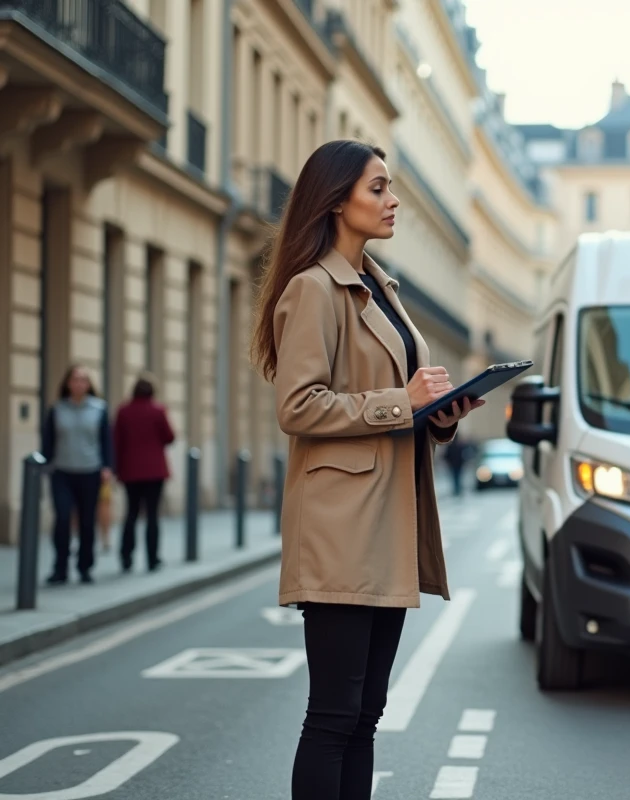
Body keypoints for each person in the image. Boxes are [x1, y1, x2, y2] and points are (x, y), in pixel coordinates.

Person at [249, 139, 483, 800]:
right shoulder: (313, 289)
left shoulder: (380, 287)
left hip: (388, 524)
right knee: (333, 715)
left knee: (366, 714)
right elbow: (298, 406)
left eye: (390, 186)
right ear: (335, 200)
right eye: (377, 188)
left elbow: (399, 402)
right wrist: (401, 402)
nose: (393, 200)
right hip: (341, 528)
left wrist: (439, 413)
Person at [41, 364, 113, 585]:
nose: (79, 384)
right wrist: (44, 465)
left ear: (89, 384)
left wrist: (107, 467)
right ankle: (60, 567)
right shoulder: (57, 409)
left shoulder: (99, 409)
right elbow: (48, 441)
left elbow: (106, 442)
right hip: (62, 472)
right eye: (75, 379)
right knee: (62, 518)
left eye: (83, 380)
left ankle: (85, 567)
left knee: (87, 521)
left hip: (90, 471)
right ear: (68, 383)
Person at [113, 374, 176, 573]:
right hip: (154, 472)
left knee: (131, 513)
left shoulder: (123, 411)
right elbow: (170, 437)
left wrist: (116, 469)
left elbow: (117, 441)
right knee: (152, 515)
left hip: (130, 471)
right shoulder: (158, 410)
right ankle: (152, 559)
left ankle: (126, 556)